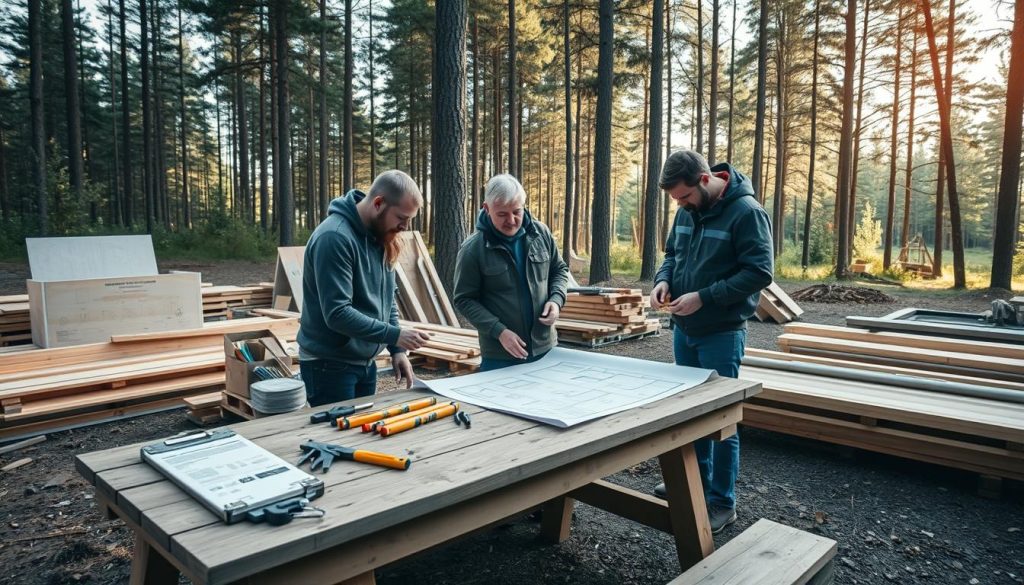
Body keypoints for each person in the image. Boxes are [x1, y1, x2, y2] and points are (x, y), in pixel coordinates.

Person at [650, 150, 773, 534]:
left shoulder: (747, 212)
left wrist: (704, 296)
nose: (681, 205)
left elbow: (759, 272)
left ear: (705, 180)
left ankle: (722, 501)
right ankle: (693, 485)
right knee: (690, 414)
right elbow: (672, 253)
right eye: (676, 200)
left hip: (721, 333)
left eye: (684, 197)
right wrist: (662, 280)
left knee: (721, 420)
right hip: (683, 332)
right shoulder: (686, 209)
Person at [297, 170, 432, 407]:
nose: (405, 226)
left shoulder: (381, 235)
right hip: (329, 364)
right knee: (338, 438)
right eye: (402, 217)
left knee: (362, 433)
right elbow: (337, 314)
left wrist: (397, 348)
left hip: (363, 361)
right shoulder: (335, 237)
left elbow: (388, 298)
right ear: (378, 203)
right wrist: (396, 334)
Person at [454, 174, 570, 371]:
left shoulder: (541, 234)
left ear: (524, 206)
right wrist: (499, 331)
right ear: (486, 208)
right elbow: (464, 300)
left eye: (517, 212)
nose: (511, 220)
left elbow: (559, 270)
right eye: (502, 214)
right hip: (500, 356)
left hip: (546, 349)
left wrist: (556, 300)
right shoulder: (473, 249)